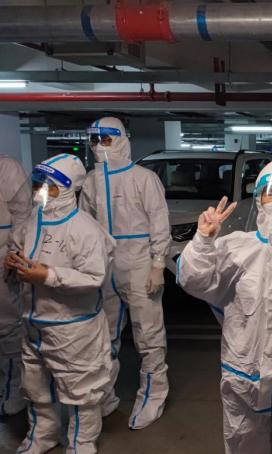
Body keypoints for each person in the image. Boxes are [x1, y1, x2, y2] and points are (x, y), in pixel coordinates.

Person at [178, 159, 272, 453]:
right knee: (245, 445)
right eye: (271, 193)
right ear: (259, 200)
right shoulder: (235, 247)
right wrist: (203, 240)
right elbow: (193, 280)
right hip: (244, 377)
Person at [6, 153, 114, 454]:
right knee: (36, 388)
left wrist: (48, 275)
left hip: (72, 329)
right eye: (38, 183)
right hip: (34, 324)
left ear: (67, 189)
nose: (40, 191)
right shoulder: (32, 221)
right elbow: (17, 247)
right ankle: (42, 436)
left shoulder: (85, 229)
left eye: (49, 185)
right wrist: (12, 261)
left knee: (81, 392)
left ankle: (81, 444)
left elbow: (94, 277)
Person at [80, 117, 171, 429]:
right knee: (104, 336)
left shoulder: (144, 178)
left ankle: (154, 395)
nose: (99, 146)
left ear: (120, 139)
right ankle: (104, 395)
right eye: (94, 140)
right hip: (104, 266)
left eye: (105, 139)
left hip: (139, 263)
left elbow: (159, 221)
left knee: (148, 334)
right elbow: (84, 225)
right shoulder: (91, 181)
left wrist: (158, 263)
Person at [0, 155, 30, 416]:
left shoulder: (6, 168)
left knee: (8, 326)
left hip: (2, 260)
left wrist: (14, 253)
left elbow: (22, 215)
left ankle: (14, 391)